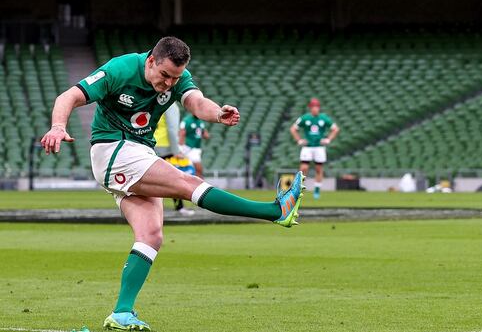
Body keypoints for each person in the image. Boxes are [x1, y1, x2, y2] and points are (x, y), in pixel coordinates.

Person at [40, 37, 305, 331]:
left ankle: (122, 313)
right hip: (113, 149)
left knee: (151, 236)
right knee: (187, 182)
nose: (168, 84)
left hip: (140, 151)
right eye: (165, 75)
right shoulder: (121, 69)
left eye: (175, 78)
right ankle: (274, 211)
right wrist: (58, 127)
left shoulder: (178, 78)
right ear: (151, 61)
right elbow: (67, 97)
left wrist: (217, 113)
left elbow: (196, 102)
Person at [290, 98, 339, 199]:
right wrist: (299, 140)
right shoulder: (305, 118)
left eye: (317, 107)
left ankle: (317, 189)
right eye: (313, 107)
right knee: (303, 168)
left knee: (319, 169)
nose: (315, 109)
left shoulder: (324, 118)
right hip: (307, 147)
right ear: (310, 108)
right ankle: (298, 189)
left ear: (319, 108)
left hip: (319, 147)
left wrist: (328, 139)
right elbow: (293, 129)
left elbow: (335, 129)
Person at [153, 103, 193, 215]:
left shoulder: (153, 99)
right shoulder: (170, 104)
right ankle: (179, 208)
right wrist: (176, 151)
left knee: (151, 179)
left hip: (151, 143)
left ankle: (149, 209)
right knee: (173, 179)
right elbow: (171, 128)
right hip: (165, 147)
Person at [179, 111, 210, 178]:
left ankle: (200, 184)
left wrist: (206, 135)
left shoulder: (200, 122)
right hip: (187, 147)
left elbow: (205, 133)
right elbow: (182, 133)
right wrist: (181, 147)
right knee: (187, 168)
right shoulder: (186, 120)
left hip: (196, 147)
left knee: (197, 169)